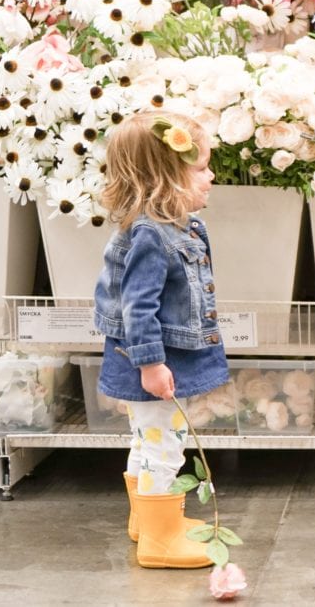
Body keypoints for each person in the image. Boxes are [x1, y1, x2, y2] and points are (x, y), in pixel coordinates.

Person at [93, 111, 228, 569]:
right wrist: (151, 365)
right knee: (163, 445)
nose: (211, 176)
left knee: (147, 439)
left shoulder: (174, 227)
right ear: (165, 177)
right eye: (201, 167)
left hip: (156, 358)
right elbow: (138, 307)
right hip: (154, 361)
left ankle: (145, 523)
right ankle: (160, 538)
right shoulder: (153, 234)